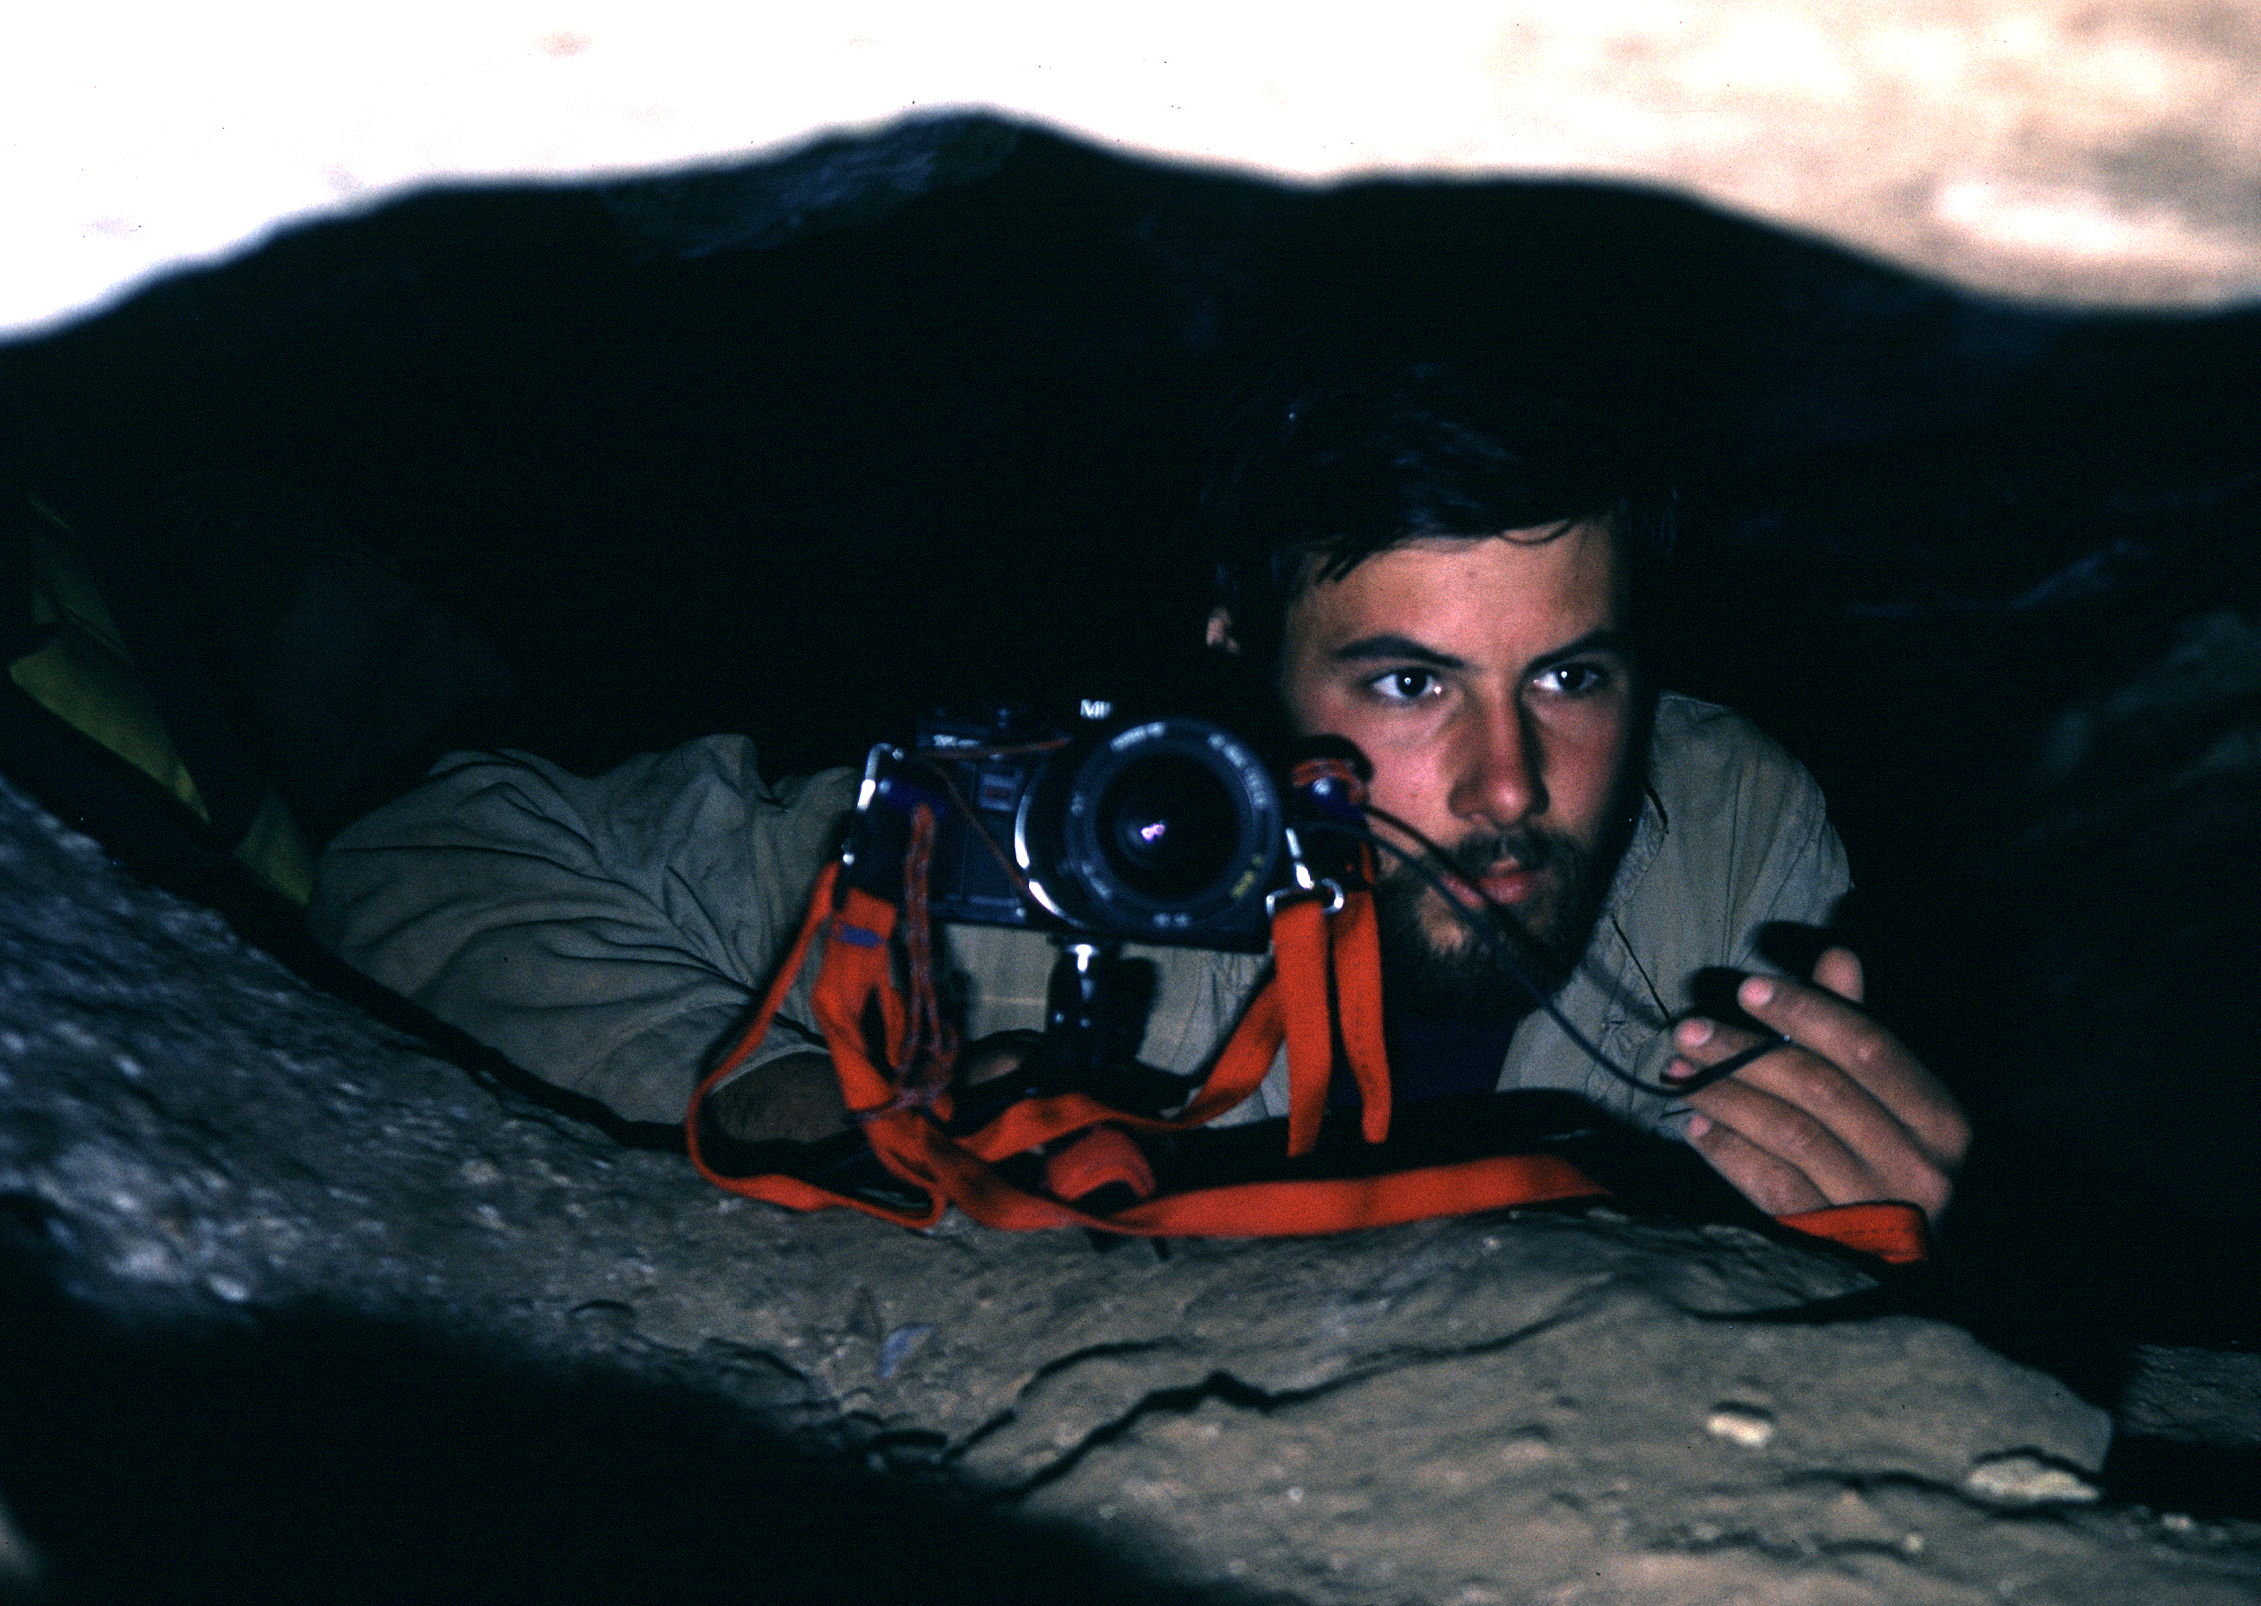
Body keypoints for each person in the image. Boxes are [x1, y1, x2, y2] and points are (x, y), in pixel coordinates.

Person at [309, 349, 1966, 1228]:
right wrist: (798, 1103)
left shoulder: (1737, 820)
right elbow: (428, 855)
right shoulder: (1064, 837)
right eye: (1407, 681)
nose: (1507, 782)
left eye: (1568, 674)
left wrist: (1875, 1216)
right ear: (1242, 654)